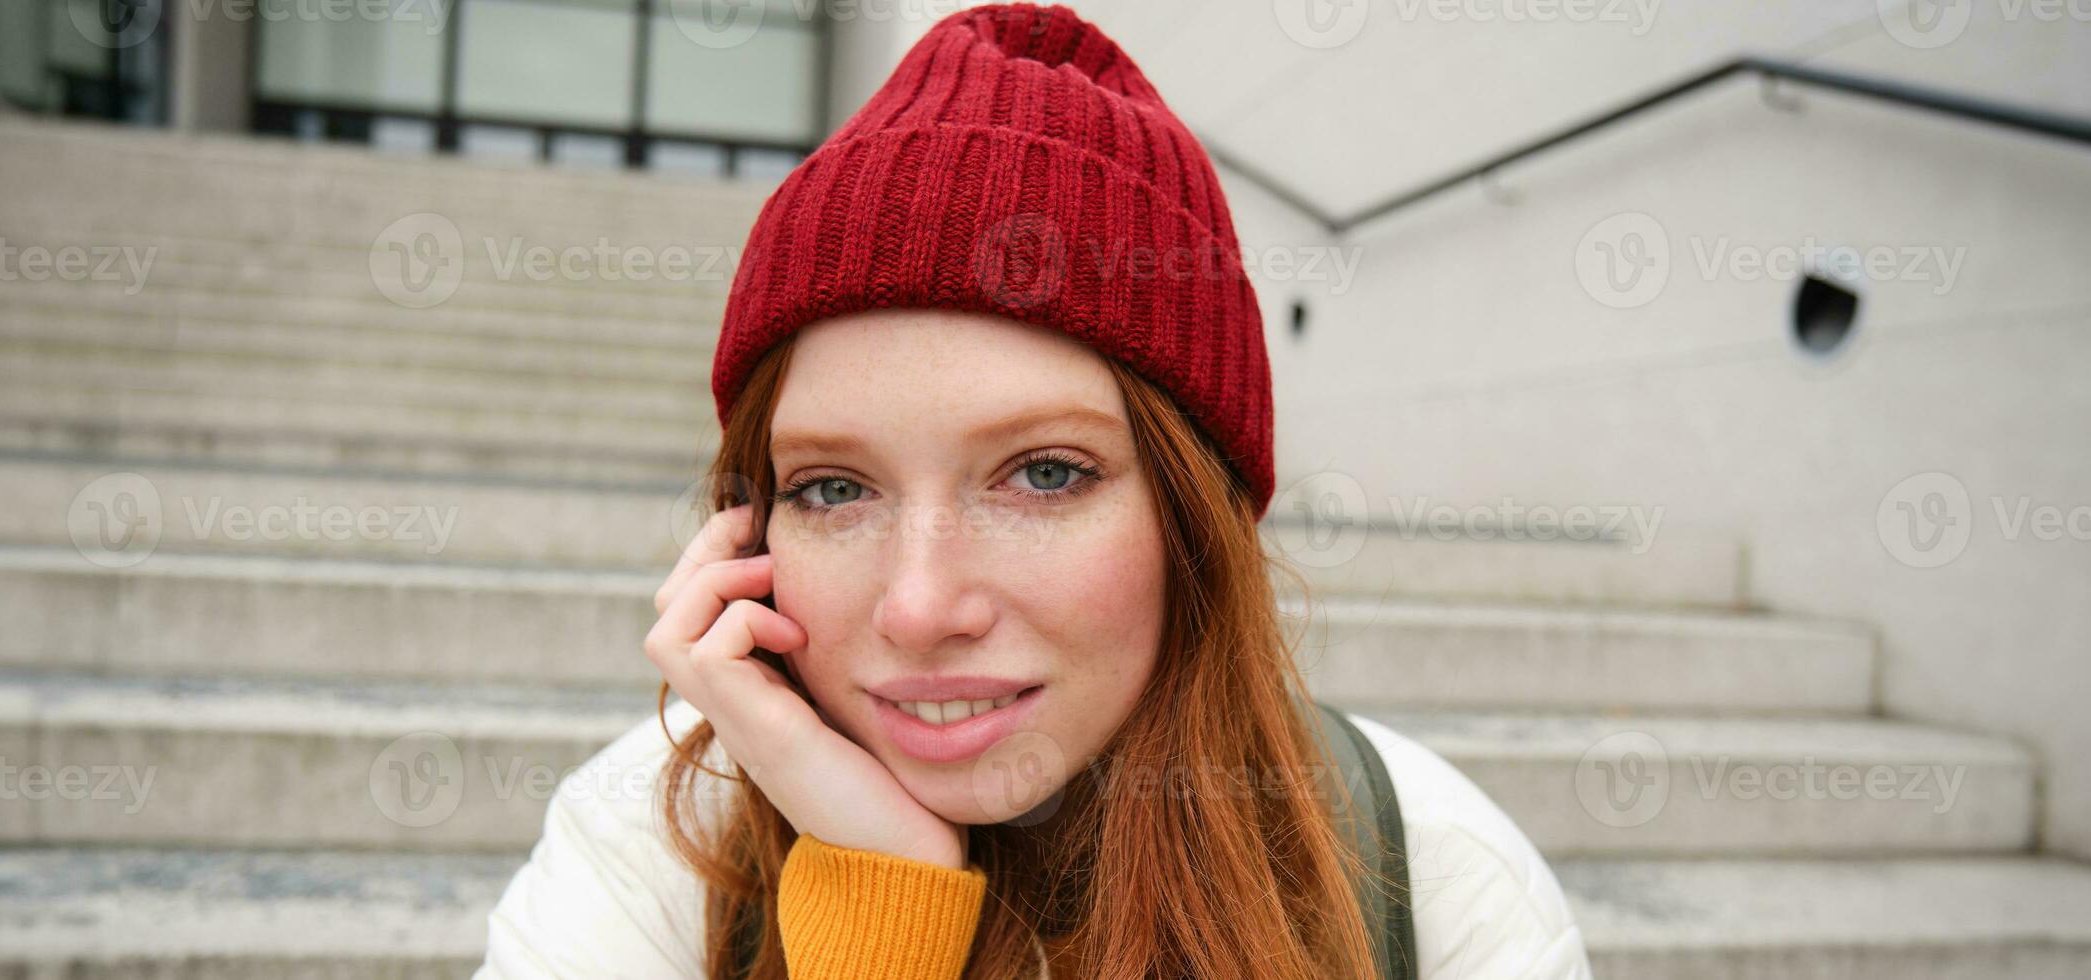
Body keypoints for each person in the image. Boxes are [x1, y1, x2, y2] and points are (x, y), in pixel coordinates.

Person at [476, 4, 1587, 977]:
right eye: (830, 489)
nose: (917, 606)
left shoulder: (1427, 876)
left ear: (1193, 519)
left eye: (1044, 473)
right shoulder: (652, 851)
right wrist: (877, 905)